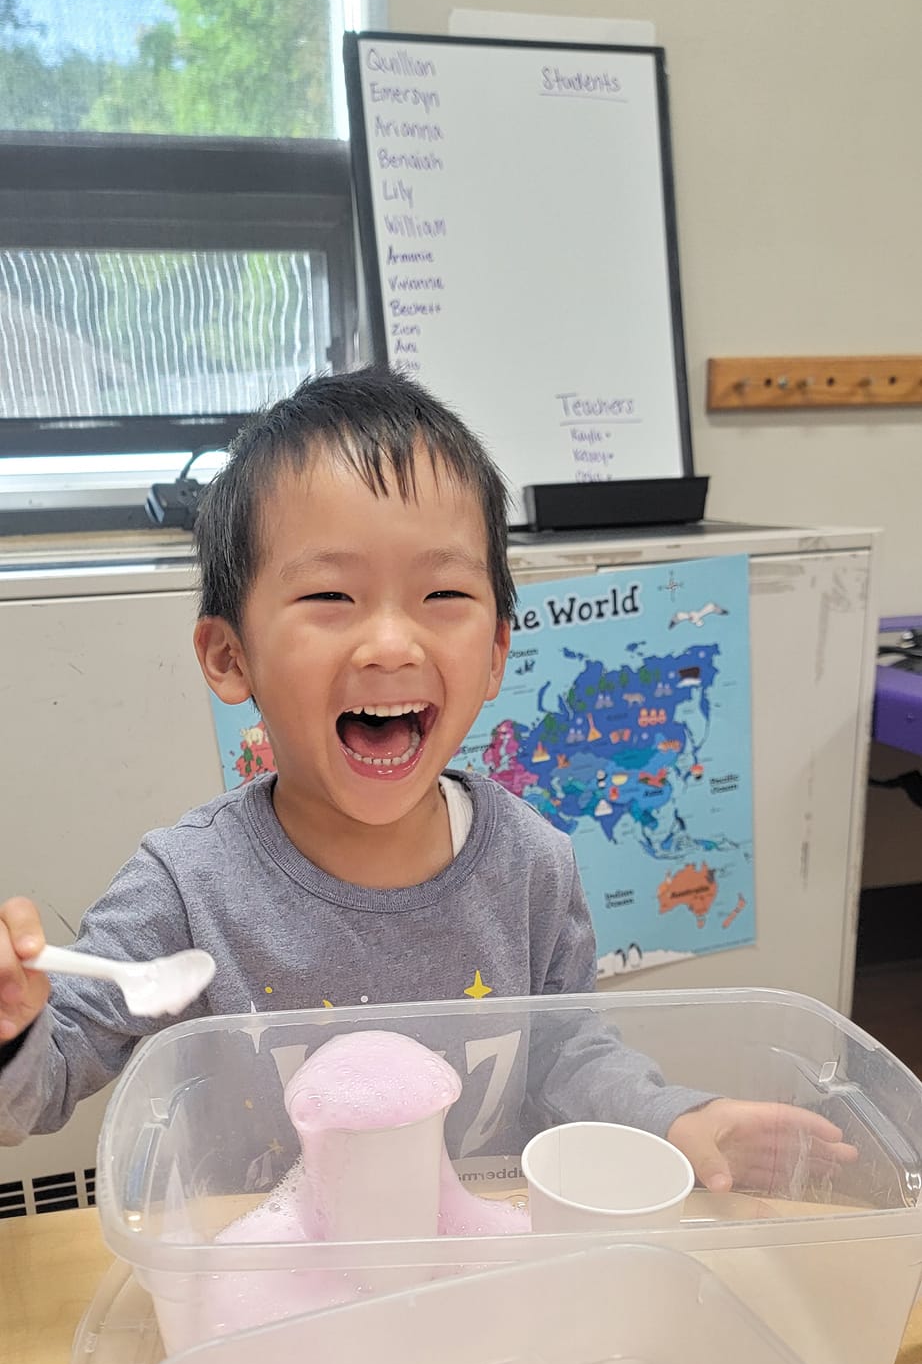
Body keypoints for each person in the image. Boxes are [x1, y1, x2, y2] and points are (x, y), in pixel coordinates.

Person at [0, 368, 851, 1194]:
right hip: (269, 1281)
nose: (392, 644)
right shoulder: (185, 888)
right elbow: (42, 1080)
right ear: (230, 657)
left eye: (443, 592)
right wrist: (14, 1026)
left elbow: (567, 1056)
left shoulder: (531, 862)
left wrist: (675, 1120)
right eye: (331, 595)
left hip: (472, 1267)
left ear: (495, 656)